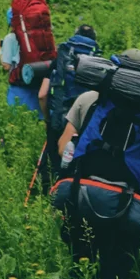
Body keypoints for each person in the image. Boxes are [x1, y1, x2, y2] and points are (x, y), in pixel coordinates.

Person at [50, 47, 140, 279]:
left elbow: (63, 148)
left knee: (79, 262)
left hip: (80, 195)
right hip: (125, 204)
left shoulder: (89, 99)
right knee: (117, 272)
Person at [37, 24, 101, 186]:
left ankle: (47, 191)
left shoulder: (60, 60)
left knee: (53, 163)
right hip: (82, 124)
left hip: (58, 117)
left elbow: (42, 95)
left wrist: (47, 120)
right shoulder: (98, 63)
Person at [0, 9, 43, 115]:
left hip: (19, 86)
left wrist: (0, 50)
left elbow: (6, 66)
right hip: (37, 83)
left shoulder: (11, 38)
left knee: (18, 116)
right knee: (36, 117)